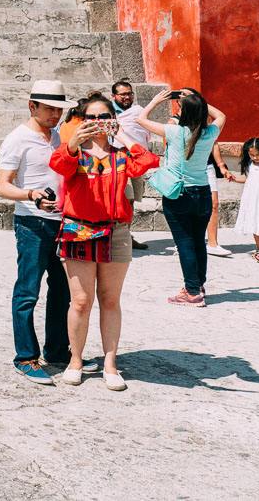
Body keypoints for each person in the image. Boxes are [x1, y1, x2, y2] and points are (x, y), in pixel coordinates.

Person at [48, 93, 159, 390]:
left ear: (113, 119)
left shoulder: (121, 157)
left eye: (104, 117)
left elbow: (148, 160)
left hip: (117, 231)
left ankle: (110, 364)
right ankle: (76, 360)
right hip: (78, 230)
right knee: (81, 301)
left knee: (110, 299)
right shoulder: (74, 155)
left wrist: (122, 135)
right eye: (91, 118)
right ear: (82, 122)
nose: (98, 123)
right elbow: (58, 164)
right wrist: (73, 141)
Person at [0, 79, 75, 385]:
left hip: (63, 222)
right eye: (51, 108)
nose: (56, 114)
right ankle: (26, 357)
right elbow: (2, 186)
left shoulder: (57, 136)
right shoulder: (18, 138)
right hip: (32, 223)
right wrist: (31, 195)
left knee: (62, 292)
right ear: (32, 106)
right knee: (28, 292)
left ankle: (57, 351)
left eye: (60, 109)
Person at [135, 87, 226, 307]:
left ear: (183, 112)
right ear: (203, 111)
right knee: (198, 243)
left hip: (179, 194)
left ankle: (192, 292)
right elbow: (221, 116)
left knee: (185, 243)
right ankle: (198, 285)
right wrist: (198, 100)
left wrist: (156, 101)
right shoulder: (209, 133)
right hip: (203, 193)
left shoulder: (175, 131)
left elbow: (140, 119)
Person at [109, 80, 151, 251]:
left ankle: (126, 235)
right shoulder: (108, 112)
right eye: (123, 94)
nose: (127, 97)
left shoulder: (139, 112)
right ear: (113, 96)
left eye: (129, 93)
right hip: (117, 161)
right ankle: (117, 238)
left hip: (136, 160)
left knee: (132, 200)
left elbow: (144, 132)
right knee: (123, 198)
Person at [228, 137, 259, 262]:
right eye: (251, 154)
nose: (255, 157)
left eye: (258, 154)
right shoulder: (249, 165)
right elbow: (248, 179)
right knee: (257, 222)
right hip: (253, 198)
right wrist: (235, 179)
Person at [205, 148, 234, 258]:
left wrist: (221, 165)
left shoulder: (209, 129)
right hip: (186, 166)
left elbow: (214, 142)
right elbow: (168, 140)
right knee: (187, 202)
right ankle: (184, 242)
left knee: (214, 203)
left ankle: (212, 244)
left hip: (207, 165)